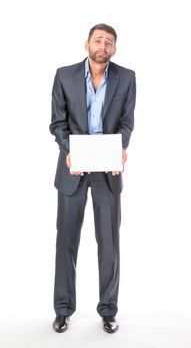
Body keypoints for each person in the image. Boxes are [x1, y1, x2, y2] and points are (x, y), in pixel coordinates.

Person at [49, 23, 136, 334]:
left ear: (114, 49)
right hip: (72, 168)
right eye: (98, 40)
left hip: (107, 170)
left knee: (109, 244)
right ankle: (63, 310)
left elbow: (126, 121)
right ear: (86, 43)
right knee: (66, 242)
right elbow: (57, 122)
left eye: (109, 42)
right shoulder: (64, 75)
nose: (103, 46)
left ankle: (108, 311)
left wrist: (121, 148)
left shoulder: (126, 78)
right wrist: (69, 150)